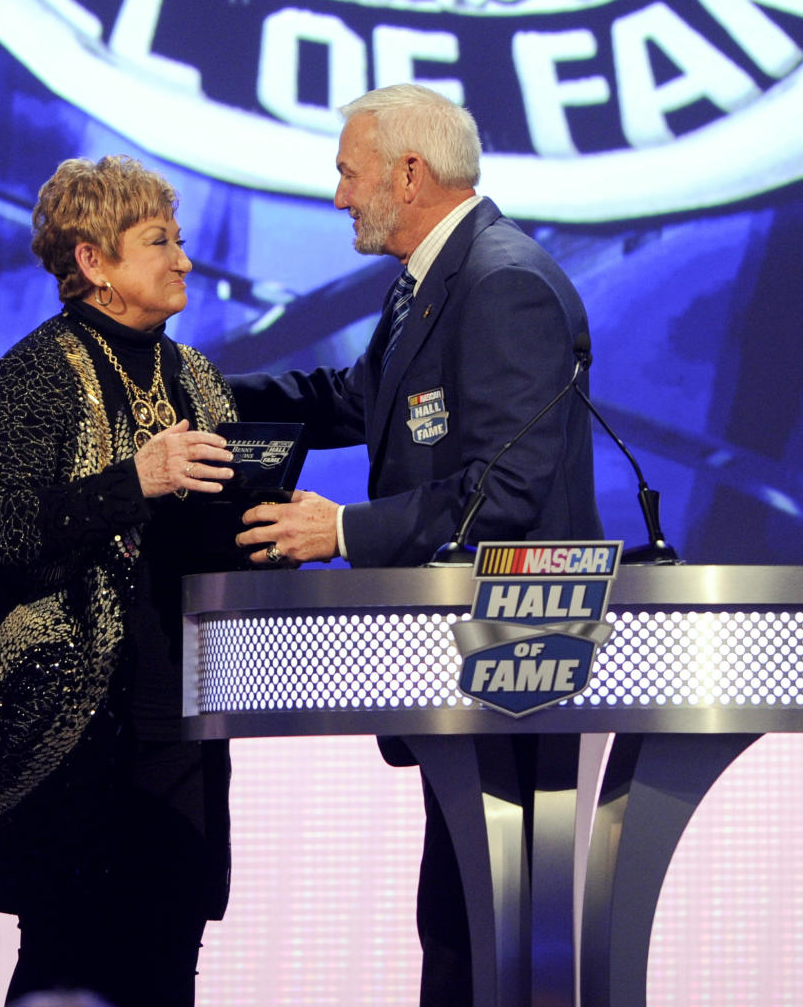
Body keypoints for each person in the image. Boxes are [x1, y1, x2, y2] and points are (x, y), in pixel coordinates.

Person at [232, 84, 603, 1005]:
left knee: (490, 934)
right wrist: (193, 385)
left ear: (408, 172)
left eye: (347, 175)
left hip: (520, 660)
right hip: (468, 671)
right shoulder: (437, 281)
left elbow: (507, 489)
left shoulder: (503, 282)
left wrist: (343, 528)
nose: (337, 196)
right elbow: (352, 400)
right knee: (457, 920)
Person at [0, 155, 239, 1007]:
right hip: (63, 736)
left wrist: (273, 528)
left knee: (169, 952)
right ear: (93, 262)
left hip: (178, 722)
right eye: (158, 242)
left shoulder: (197, 377)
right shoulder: (29, 377)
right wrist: (131, 482)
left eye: (178, 239)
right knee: (68, 956)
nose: (183, 259)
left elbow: (208, 528)